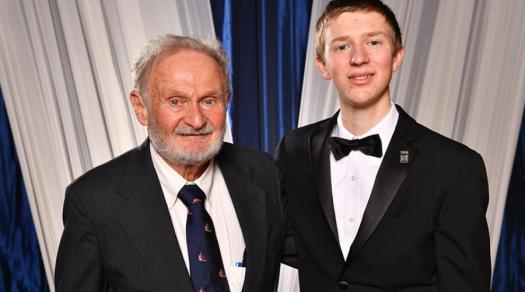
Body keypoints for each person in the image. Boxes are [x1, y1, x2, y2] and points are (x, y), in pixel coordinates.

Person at [276, 0, 490, 291]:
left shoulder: (454, 166)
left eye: (374, 42)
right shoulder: (294, 149)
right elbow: (279, 239)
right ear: (322, 65)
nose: (359, 58)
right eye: (342, 46)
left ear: (397, 56)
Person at [55, 34, 284, 292]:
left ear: (227, 100)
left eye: (209, 100)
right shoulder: (94, 202)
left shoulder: (263, 173)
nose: (196, 120)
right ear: (141, 107)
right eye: (176, 101)